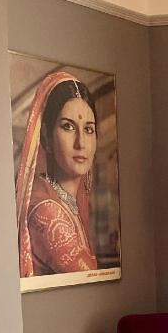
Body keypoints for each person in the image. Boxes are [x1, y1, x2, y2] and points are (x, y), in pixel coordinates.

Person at [15, 72, 99, 277]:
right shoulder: (46, 211)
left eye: (88, 129)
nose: (81, 143)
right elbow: (89, 279)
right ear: (46, 136)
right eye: (68, 126)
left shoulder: (67, 201)